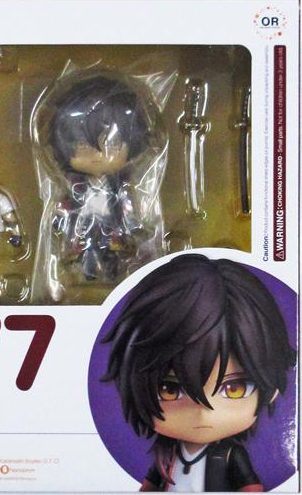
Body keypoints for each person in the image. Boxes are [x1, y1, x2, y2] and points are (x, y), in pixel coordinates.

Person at [102, 254, 296, 492]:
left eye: (234, 389)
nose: (204, 412)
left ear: (271, 390)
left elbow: (250, 487)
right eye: (170, 389)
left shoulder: (230, 454)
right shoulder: (167, 453)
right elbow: (149, 485)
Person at [49, 75, 151, 281]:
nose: (97, 154)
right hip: (83, 231)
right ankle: (89, 277)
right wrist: (59, 220)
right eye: (81, 145)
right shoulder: (76, 187)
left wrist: (134, 227)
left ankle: (112, 274)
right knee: (85, 258)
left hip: (112, 230)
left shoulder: (119, 188)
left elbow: (127, 209)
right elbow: (66, 205)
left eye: (112, 144)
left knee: (112, 257)